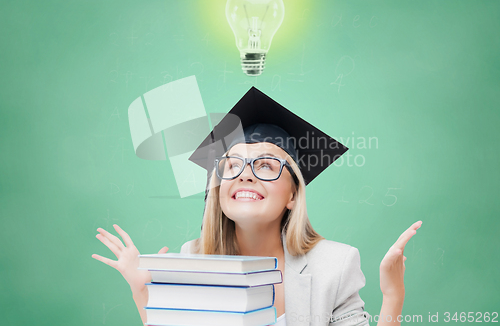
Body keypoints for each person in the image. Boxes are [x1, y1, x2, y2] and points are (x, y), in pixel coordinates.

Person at [92, 87, 422, 326]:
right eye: (232, 165)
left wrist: (393, 296)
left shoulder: (334, 265)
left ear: (293, 194)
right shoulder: (193, 258)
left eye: (265, 166)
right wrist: (142, 291)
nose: (246, 176)